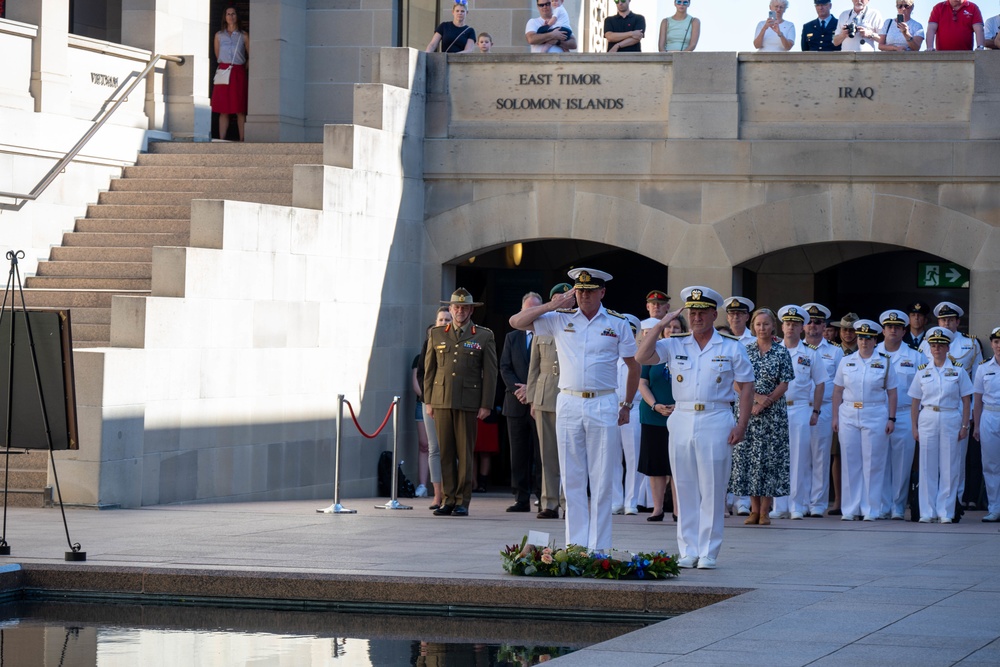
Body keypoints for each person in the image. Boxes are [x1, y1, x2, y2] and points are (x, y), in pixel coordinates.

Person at [510, 268, 638, 552]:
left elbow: (633, 365)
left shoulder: (617, 323)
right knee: (573, 475)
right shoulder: (559, 318)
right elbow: (517, 321)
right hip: (568, 400)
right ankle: (576, 545)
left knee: (603, 476)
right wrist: (554, 303)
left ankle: (600, 546)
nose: (584, 296)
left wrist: (627, 403)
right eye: (579, 291)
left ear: (602, 292)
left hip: (604, 401)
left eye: (590, 291)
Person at [636, 286, 754, 570]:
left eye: (702, 312)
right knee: (685, 487)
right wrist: (662, 323)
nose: (697, 317)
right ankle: (687, 549)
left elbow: (747, 386)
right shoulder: (675, 343)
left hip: (716, 416)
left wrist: (742, 424)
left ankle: (709, 551)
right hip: (682, 416)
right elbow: (641, 356)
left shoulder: (730, 346)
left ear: (714, 314)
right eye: (692, 312)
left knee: (713, 488)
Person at [424, 289, 497, 517]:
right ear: (451, 309)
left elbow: (490, 373)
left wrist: (486, 404)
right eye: (456, 307)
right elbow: (429, 370)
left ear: (471, 310)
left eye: (464, 307)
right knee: (445, 451)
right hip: (442, 399)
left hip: (468, 400)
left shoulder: (483, 335)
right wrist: (428, 401)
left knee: (465, 452)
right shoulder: (437, 334)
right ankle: (447, 499)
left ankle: (462, 500)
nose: (459, 311)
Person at [729, 308, 794, 526]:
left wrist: (766, 401)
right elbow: (736, 382)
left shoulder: (781, 352)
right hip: (748, 411)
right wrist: (755, 399)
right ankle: (753, 510)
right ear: (753, 326)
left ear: (773, 326)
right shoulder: (744, 350)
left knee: (768, 461)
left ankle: (765, 511)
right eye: (758, 324)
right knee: (749, 460)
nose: (762, 328)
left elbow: (785, 382)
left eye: (766, 324)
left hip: (773, 414)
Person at [832, 320, 899, 522]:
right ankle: (851, 509)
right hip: (849, 412)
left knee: (873, 463)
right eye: (861, 338)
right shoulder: (847, 360)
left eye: (868, 338)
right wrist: (835, 416)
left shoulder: (885, 361)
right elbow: (837, 390)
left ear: (875, 340)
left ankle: (871, 509)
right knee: (850, 461)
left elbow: (893, 392)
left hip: (875, 412)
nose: (864, 342)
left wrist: (891, 418)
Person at [909, 327, 973, 522]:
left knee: (949, 466)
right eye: (933, 345)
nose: (937, 349)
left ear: (948, 348)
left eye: (940, 346)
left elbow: (966, 400)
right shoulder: (922, 372)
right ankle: (927, 512)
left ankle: (946, 512)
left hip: (950, 416)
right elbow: (914, 401)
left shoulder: (958, 371)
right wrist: (914, 427)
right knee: (927, 466)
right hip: (927, 416)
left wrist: (965, 426)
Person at [525, 282, 572, 520]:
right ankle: (549, 502)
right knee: (548, 454)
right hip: (545, 394)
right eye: (558, 299)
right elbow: (534, 367)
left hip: (568, 394)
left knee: (569, 453)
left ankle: (568, 500)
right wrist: (533, 398)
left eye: (567, 298)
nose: (563, 303)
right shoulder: (544, 325)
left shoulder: (575, 325)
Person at [777, 306, 826, 521]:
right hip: (775, 408)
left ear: (802, 327)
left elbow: (821, 383)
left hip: (800, 408)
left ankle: (797, 504)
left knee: (799, 459)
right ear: (782, 326)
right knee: (777, 458)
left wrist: (815, 410)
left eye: (795, 324)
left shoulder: (810, 354)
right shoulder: (773, 350)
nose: (791, 327)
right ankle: (778, 505)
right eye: (787, 324)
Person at [875, 310, 923, 519]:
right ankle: (883, 506)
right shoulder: (872, 352)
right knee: (880, 462)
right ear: (883, 331)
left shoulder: (915, 355)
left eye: (897, 327)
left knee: (902, 464)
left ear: (904, 331)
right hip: (877, 413)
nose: (893, 330)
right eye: (889, 327)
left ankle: (898, 507)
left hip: (904, 414)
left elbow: (922, 389)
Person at [637, 316, 685, 522]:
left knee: (678, 466)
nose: (672, 330)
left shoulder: (686, 351)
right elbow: (642, 383)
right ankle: (657, 508)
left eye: (677, 327)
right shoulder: (655, 351)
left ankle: (677, 509)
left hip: (680, 414)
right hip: (653, 414)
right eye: (669, 327)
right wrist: (655, 405)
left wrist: (680, 405)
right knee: (656, 465)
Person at [500, 292, 544, 512]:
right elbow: (504, 367)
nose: (530, 314)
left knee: (541, 453)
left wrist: (532, 390)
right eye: (526, 310)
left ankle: (543, 496)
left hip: (540, 403)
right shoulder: (512, 337)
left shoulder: (548, 335)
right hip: (516, 403)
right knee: (518, 454)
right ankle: (520, 498)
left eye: (535, 309)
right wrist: (520, 390)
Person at [803, 303, 844, 517]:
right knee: (799, 457)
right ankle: (799, 502)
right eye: (809, 322)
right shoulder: (792, 348)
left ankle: (817, 504)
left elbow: (839, 386)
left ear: (824, 325)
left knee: (820, 457)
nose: (813, 326)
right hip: (799, 408)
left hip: (824, 408)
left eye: (817, 322)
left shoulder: (835, 352)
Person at [723, 295, 754, 516]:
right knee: (723, 452)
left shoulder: (754, 341)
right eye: (732, 313)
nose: (735, 317)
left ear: (747, 316)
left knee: (745, 451)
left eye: (740, 313)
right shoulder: (719, 338)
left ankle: (743, 499)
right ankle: (725, 497)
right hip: (723, 402)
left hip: (746, 401)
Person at [418, 307, 452, 510]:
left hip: (451, 402)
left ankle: (451, 494)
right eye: (440, 319)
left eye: (447, 319)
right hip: (431, 401)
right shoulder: (429, 342)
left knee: (450, 448)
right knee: (434, 448)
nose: (443, 322)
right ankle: (437, 495)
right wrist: (428, 399)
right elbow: (423, 374)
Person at [612, 314, 644, 514]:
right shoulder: (609, 355)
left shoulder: (640, 356)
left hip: (634, 407)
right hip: (611, 407)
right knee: (612, 457)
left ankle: (631, 501)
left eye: (630, 333)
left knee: (634, 457)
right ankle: (616, 500)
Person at [973, 327, 1000, 522]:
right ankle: (995, 508)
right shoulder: (983, 367)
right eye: (996, 342)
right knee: (991, 465)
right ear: (992, 344)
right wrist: (975, 426)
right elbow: (977, 398)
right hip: (990, 416)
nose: (999, 346)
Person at [212, 6, 250, 142]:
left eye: (233, 14)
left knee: (239, 108)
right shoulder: (219, 35)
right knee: (223, 108)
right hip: (223, 71)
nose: (231, 16)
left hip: (238, 72)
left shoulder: (243, 36)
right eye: (228, 14)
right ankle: (222, 139)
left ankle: (242, 138)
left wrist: (244, 67)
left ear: (236, 16)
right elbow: (217, 54)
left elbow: (251, 55)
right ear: (225, 17)